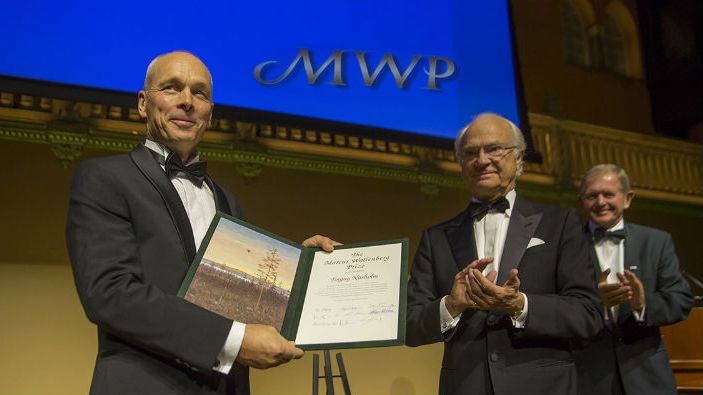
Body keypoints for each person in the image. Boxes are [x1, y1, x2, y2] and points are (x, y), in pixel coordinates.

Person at [66, 51, 338, 395]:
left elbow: (237, 294)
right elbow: (109, 293)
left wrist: (297, 269)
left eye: (199, 93)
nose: (186, 102)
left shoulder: (228, 200)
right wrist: (233, 341)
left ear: (210, 114)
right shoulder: (104, 177)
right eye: (171, 88)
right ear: (142, 103)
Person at [406, 113, 602, 395]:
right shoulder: (435, 238)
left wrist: (519, 304)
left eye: (494, 149)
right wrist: (451, 304)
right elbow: (411, 327)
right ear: (461, 164)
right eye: (471, 152)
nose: (482, 160)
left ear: (519, 158)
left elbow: (589, 313)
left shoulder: (560, 224)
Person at [574, 164, 693, 395]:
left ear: (627, 199)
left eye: (608, 194)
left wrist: (642, 304)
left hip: (647, 376)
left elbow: (681, 299)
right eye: (592, 196)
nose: (600, 202)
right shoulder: (568, 245)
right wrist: (597, 303)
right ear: (582, 201)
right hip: (588, 377)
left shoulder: (657, 241)